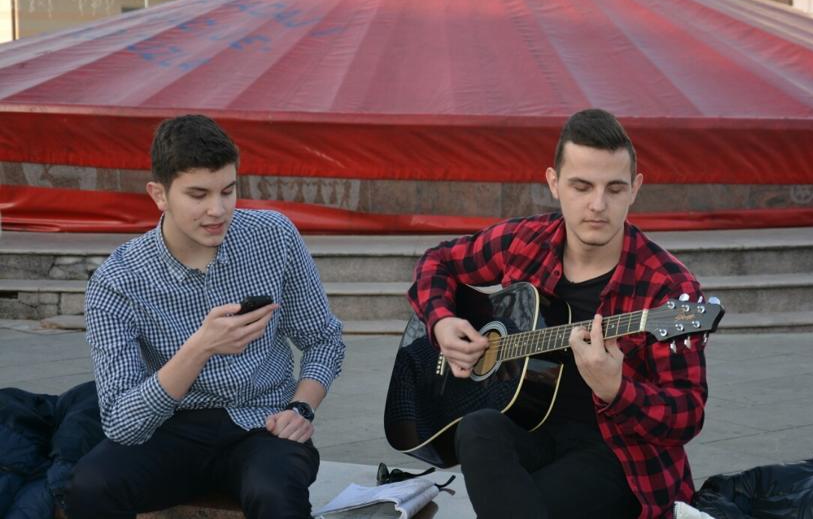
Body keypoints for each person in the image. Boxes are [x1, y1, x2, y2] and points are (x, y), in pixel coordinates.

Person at [407, 109, 709, 519]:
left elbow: (687, 414)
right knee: (476, 428)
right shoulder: (525, 241)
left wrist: (616, 390)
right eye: (581, 186)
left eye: (614, 189)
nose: (597, 205)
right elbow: (437, 262)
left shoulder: (668, 288)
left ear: (635, 189)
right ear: (553, 183)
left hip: (617, 455)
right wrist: (442, 320)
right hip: (530, 429)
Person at [68, 115, 345, 519]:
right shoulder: (118, 280)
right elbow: (122, 424)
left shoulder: (273, 236)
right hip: (170, 427)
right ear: (159, 194)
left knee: (275, 495)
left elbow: (323, 338)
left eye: (228, 191)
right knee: (88, 487)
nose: (217, 210)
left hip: (263, 424)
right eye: (198, 195)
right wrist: (200, 347)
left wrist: (301, 409)